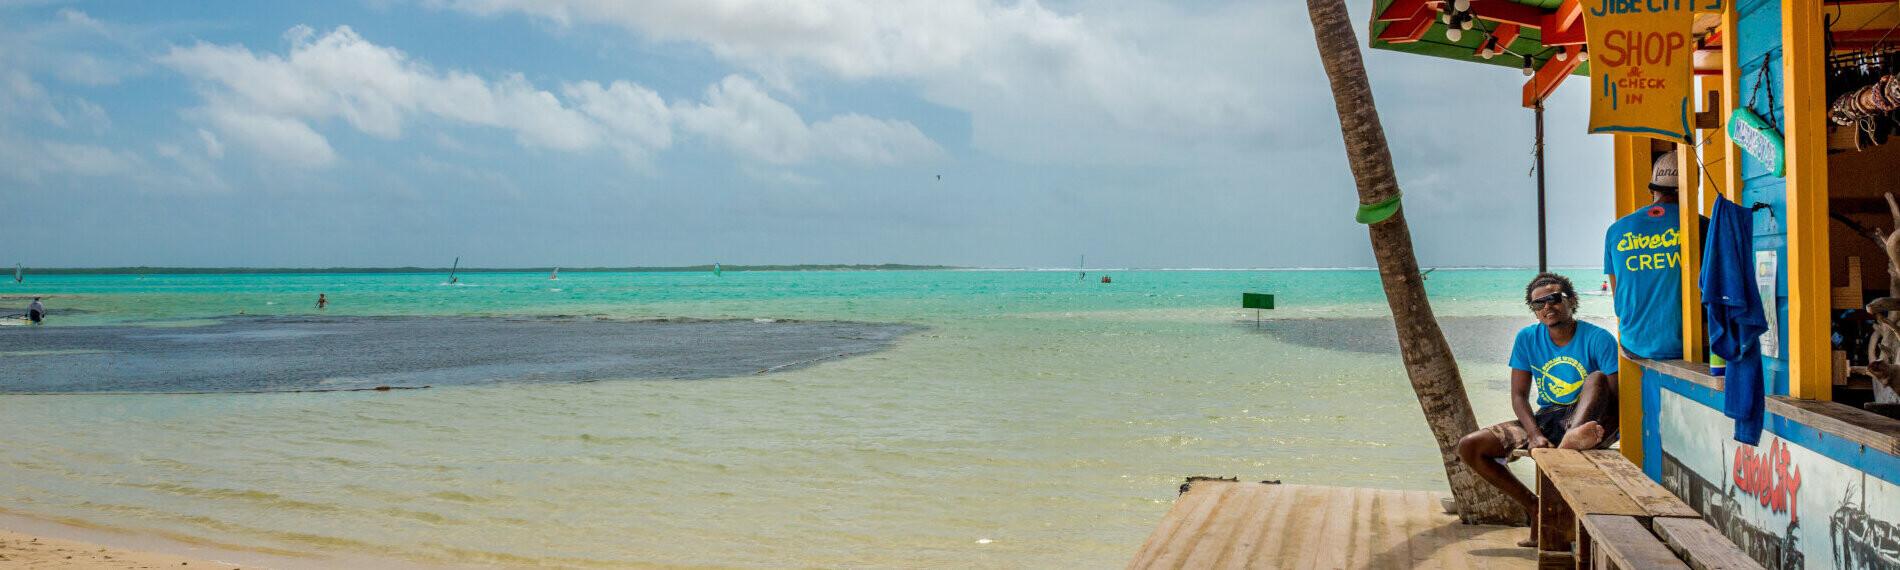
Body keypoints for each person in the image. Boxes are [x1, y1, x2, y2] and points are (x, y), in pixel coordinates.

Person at [1456, 273, 1620, 546]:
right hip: (1549, 418)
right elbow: (1519, 396)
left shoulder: (1598, 338)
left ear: (1572, 301)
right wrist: (1533, 434)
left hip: (1591, 418)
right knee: (1470, 446)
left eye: (1554, 299)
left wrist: (1600, 432)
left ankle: (1571, 439)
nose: (1547, 307)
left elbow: (1615, 397)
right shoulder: (1527, 338)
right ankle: (1534, 506)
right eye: (1538, 303)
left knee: (1596, 378)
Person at [1604, 150, 1699, 360]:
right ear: (1693, 187)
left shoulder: (1616, 230)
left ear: (1652, 190)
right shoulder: (1704, 226)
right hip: (1689, 347)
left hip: (1632, 345)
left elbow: (1617, 294)